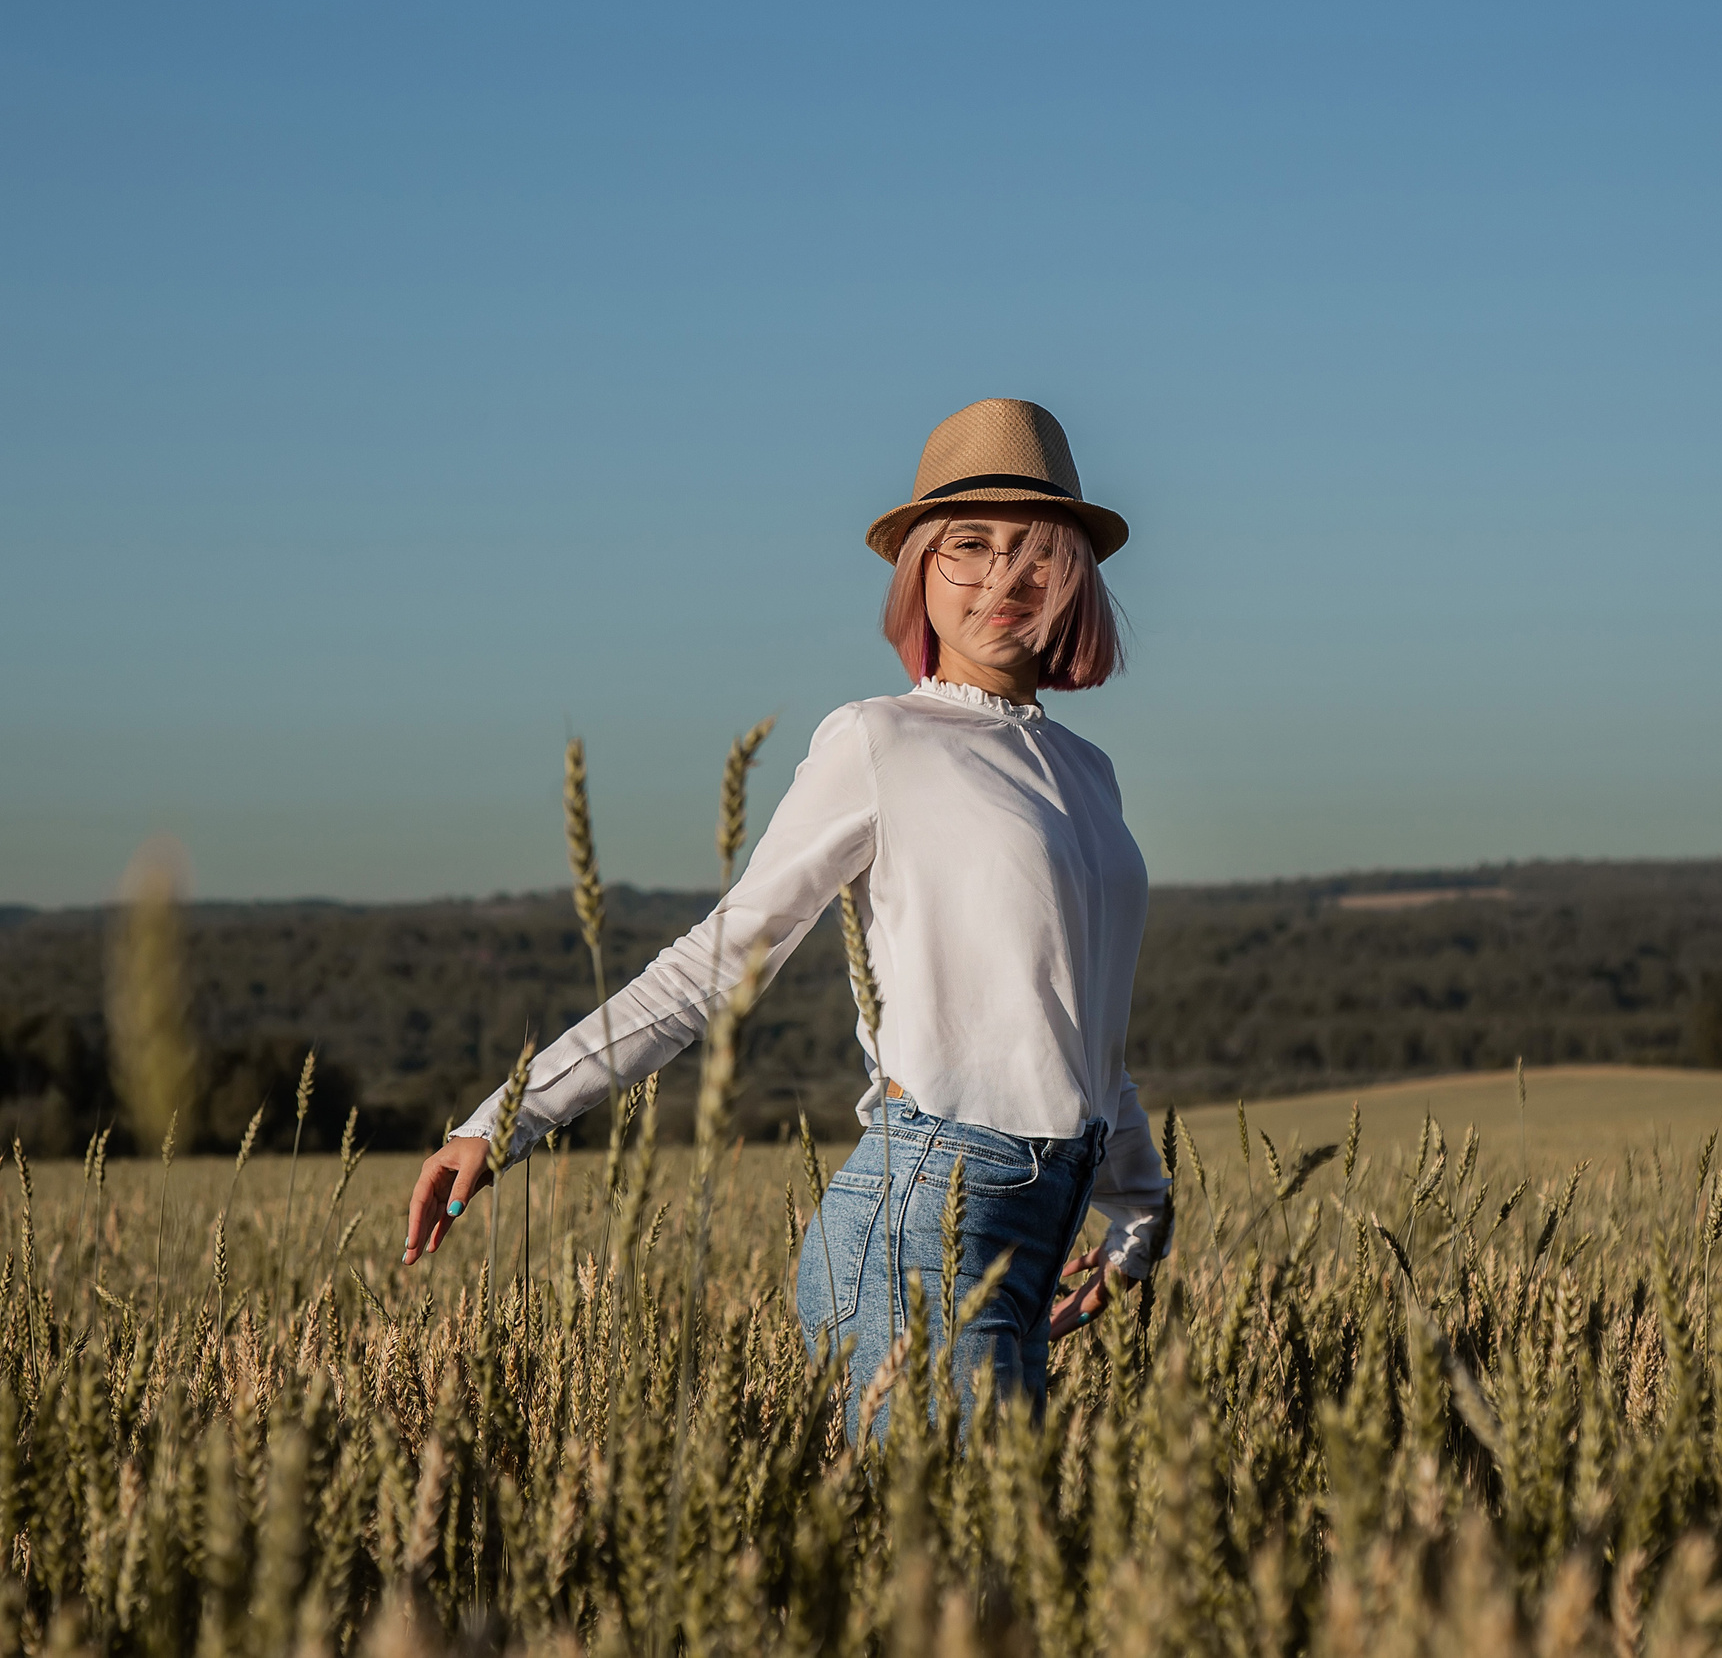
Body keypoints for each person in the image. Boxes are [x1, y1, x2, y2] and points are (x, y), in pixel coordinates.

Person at [403, 397, 1172, 1429]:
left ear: (1075, 572)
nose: (1002, 579)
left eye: (1036, 551)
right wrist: (506, 1118)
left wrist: (1138, 1217)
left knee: (992, 1572)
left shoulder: (1091, 774)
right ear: (919, 572)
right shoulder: (878, 740)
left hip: (1040, 1223)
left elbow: (1080, 1034)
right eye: (969, 547)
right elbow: (715, 963)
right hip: (920, 1218)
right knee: (962, 1568)